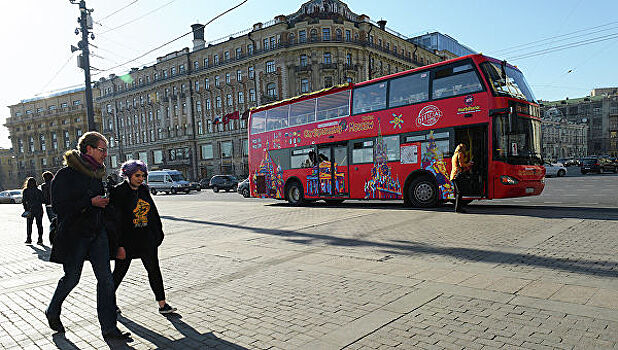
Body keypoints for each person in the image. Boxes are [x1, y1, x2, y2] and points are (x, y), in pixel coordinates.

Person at [46, 131, 130, 341]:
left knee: (106, 280)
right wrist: (89, 202)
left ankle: (109, 328)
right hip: (75, 235)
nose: (105, 154)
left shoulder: (97, 174)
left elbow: (102, 202)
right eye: (102, 150)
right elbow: (59, 207)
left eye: (106, 150)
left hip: (97, 233)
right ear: (88, 149)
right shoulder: (66, 175)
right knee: (72, 278)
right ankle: (52, 309)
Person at [110, 160, 177, 315]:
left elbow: (153, 213)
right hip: (126, 242)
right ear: (128, 175)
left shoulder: (144, 190)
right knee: (119, 272)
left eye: (143, 175)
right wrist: (118, 245)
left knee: (154, 270)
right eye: (137, 175)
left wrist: (157, 234)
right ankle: (109, 302)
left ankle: (162, 304)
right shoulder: (118, 192)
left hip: (146, 240)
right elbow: (115, 221)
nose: (140, 179)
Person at [450, 143, 474, 213]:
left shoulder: (454, 155)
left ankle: (458, 208)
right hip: (457, 175)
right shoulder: (460, 154)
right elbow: (462, 165)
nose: (465, 150)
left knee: (458, 192)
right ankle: (458, 208)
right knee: (459, 192)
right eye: (464, 148)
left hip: (453, 175)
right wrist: (469, 164)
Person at [22, 177, 44, 244]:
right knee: (39, 224)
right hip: (39, 209)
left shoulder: (25, 191)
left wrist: (26, 209)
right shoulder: (39, 191)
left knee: (29, 225)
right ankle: (40, 239)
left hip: (30, 210)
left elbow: (24, 201)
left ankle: (29, 239)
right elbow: (42, 200)